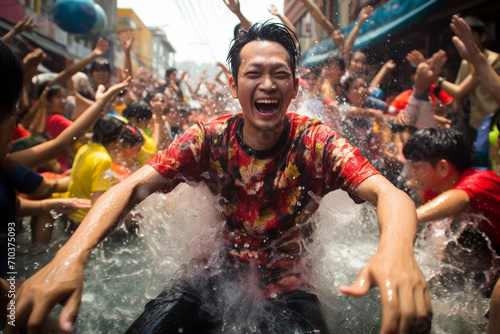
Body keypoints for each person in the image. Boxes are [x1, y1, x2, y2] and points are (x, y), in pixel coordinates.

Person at [8, 22, 431, 334]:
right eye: (253, 73)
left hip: (288, 282)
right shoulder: (207, 137)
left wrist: (396, 249)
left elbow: (389, 193)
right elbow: (130, 186)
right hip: (212, 273)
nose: (267, 83)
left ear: (294, 84)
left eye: (279, 73)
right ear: (233, 84)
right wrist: (71, 256)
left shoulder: (314, 141)